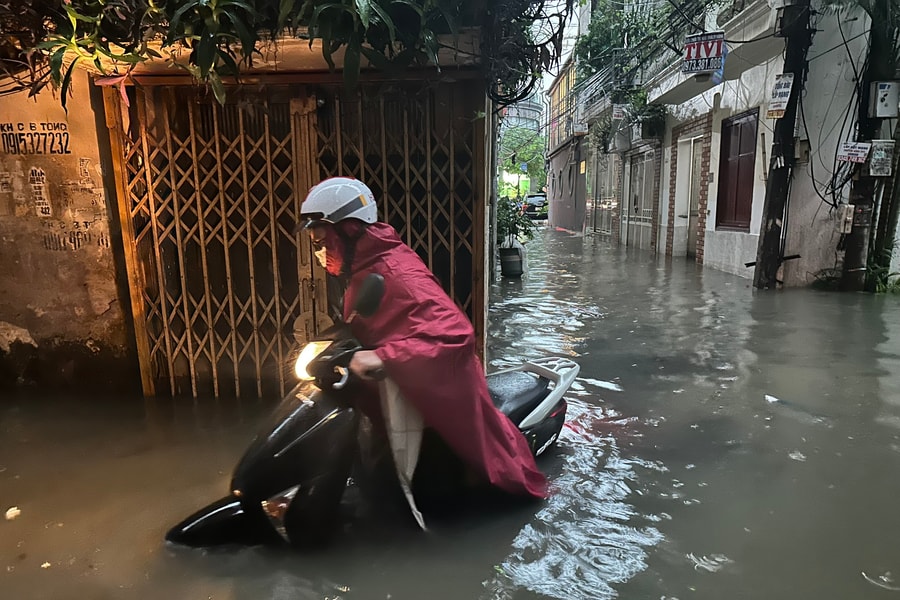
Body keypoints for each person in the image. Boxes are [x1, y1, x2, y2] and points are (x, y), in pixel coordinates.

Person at [299, 177, 547, 499]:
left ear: (348, 230)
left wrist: (383, 356)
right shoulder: (366, 264)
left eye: (322, 241)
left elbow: (456, 336)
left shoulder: (397, 272)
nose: (319, 251)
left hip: (444, 389)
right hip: (403, 386)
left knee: (483, 483)